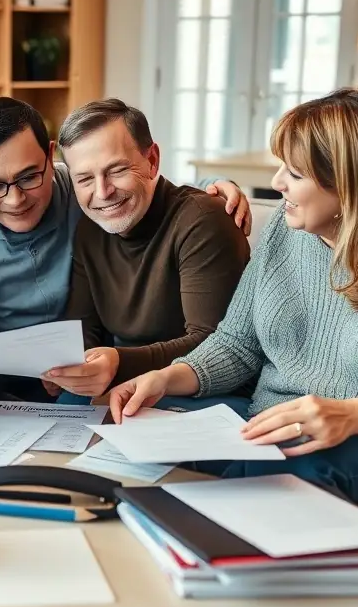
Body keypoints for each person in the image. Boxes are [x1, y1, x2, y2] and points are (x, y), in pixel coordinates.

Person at [107, 88, 358, 519]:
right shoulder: (287, 228)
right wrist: (164, 378)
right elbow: (237, 345)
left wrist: (350, 415)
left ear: (350, 182)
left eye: (293, 172)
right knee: (144, 422)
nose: (276, 184)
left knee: (292, 469)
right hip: (279, 421)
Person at [0, 97, 251, 407]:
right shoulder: (89, 221)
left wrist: (216, 184)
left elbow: (162, 191)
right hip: (24, 370)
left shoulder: (81, 197)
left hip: (154, 375)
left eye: (29, 177)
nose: (15, 200)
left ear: (50, 159)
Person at [42, 99, 250, 401]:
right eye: (85, 178)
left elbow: (214, 345)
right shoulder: (90, 229)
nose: (102, 193)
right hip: (123, 380)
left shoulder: (202, 220)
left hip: (202, 388)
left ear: (152, 160)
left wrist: (118, 361)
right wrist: (78, 368)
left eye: (117, 170)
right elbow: (85, 328)